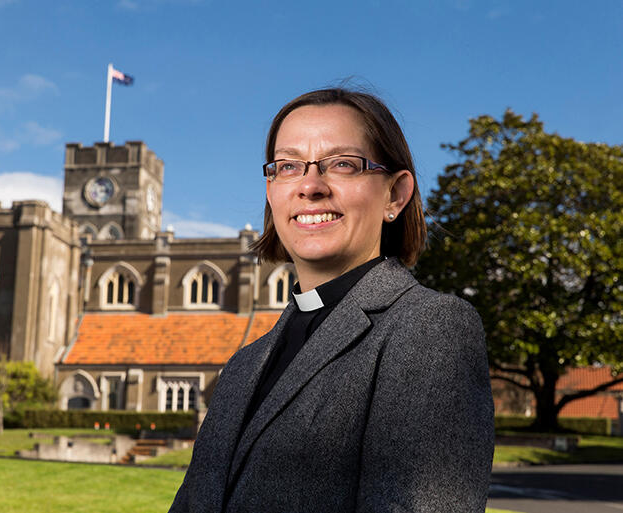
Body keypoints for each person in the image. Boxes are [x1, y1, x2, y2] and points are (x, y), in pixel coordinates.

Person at [169, 88, 494, 513]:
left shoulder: (431, 329)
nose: (310, 186)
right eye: (288, 166)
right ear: (271, 191)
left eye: (342, 164)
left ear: (395, 195)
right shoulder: (244, 365)